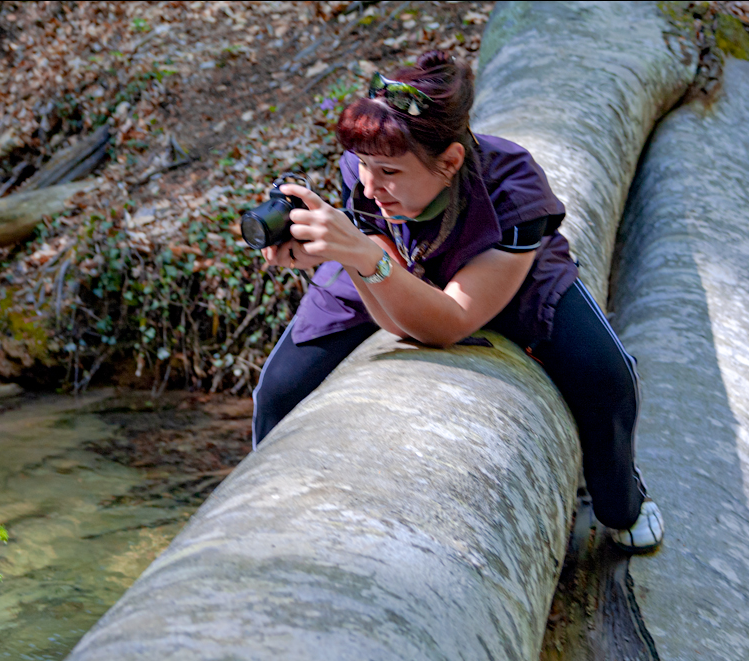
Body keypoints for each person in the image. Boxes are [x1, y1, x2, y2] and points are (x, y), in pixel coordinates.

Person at [251, 50, 664, 552]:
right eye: (362, 165)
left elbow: (447, 323)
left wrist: (362, 256)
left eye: (389, 172)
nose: (369, 185)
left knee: (606, 377)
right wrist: (342, 252)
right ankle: (268, 517)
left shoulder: (514, 188)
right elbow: (389, 295)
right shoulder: (366, 181)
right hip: (385, 267)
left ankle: (622, 504)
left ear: (449, 162)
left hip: (505, 282)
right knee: (277, 390)